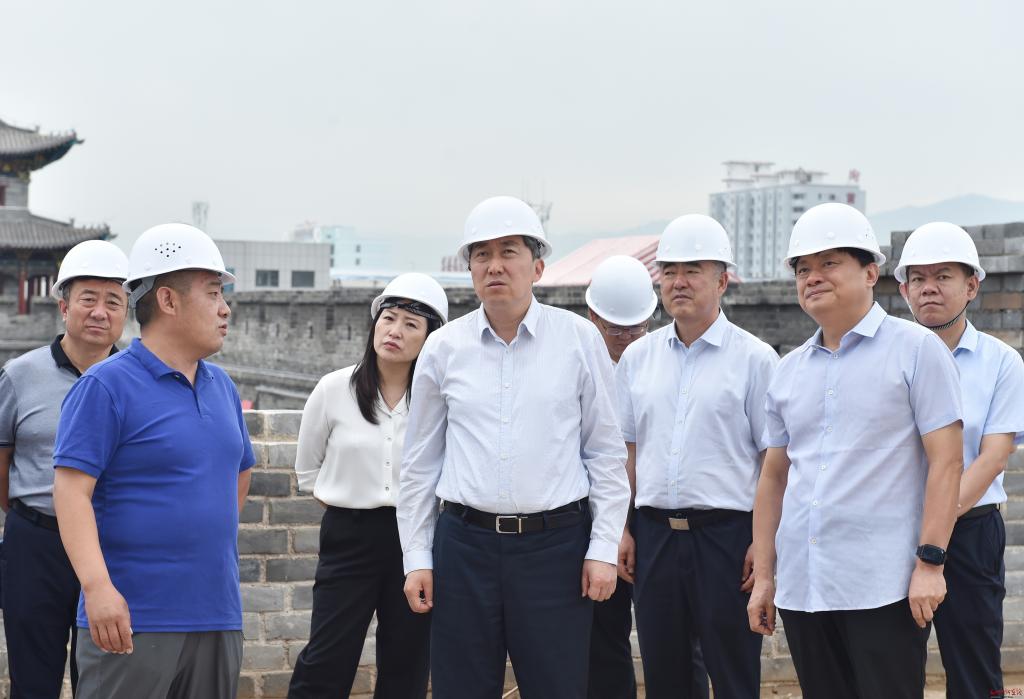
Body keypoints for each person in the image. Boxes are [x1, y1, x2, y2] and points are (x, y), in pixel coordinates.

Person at [398, 195, 630, 699]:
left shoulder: (579, 340)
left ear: (537, 266)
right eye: (481, 254)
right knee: (460, 688)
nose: (494, 265)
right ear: (469, 270)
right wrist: (417, 556)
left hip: (556, 550)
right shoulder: (444, 348)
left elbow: (605, 453)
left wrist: (603, 547)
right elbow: (419, 464)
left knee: (557, 686)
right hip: (464, 548)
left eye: (509, 252)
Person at [747, 203, 964, 699]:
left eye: (829, 263)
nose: (812, 277)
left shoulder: (916, 350)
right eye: (803, 268)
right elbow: (774, 477)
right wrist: (764, 577)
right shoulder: (788, 371)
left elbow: (947, 461)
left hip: (883, 585)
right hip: (805, 586)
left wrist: (931, 563)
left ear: (870, 273)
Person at [52, 223, 255, 699]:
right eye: (213, 293)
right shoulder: (105, 386)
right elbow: (71, 491)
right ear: (167, 300)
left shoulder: (222, 387)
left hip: (217, 615)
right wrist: (97, 588)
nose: (225, 308)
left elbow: (239, 472)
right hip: (132, 618)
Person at [615, 215, 777, 699]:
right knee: (665, 674)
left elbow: (774, 461)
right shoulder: (638, 358)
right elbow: (627, 452)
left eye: (693, 270)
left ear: (722, 281)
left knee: (733, 672)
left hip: (727, 539)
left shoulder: (755, 359)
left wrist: (763, 544)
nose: (678, 282)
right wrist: (621, 527)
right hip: (654, 537)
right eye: (669, 271)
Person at [288, 273, 448, 699]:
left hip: (416, 541)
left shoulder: (439, 400)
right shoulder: (333, 389)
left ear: (430, 338)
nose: (395, 331)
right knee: (327, 657)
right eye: (388, 318)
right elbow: (309, 471)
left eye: (411, 325)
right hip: (349, 537)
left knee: (407, 659)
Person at [894, 222, 1024, 699]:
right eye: (918, 278)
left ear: (971, 286)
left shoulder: (1001, 362)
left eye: (943, 276)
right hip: (895, 530)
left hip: (971, 532)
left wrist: (937, 526)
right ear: (903, 290)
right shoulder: (887, 358)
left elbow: (993, 458)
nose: (929, 288)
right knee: (890, 666)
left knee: (975, 669)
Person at [0, 240, 128, 699]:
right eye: (87, 299)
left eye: (113, 301)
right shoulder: (19, 375)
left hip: (114, 547)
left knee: (107, 679)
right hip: (36, 543)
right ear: (63, 307)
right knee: (33, 680)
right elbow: (3, 462)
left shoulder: (137, 378)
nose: (99, 312)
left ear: (126, 312)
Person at [584, 254, 709, 699]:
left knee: (678, 641)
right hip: (583, 515)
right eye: (615, 329)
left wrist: (625, 525)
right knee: (601, 633)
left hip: (646, 516)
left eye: (635, 328)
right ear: (592, 316)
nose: (625, 338)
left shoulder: (661, 361)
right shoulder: (574, 360)